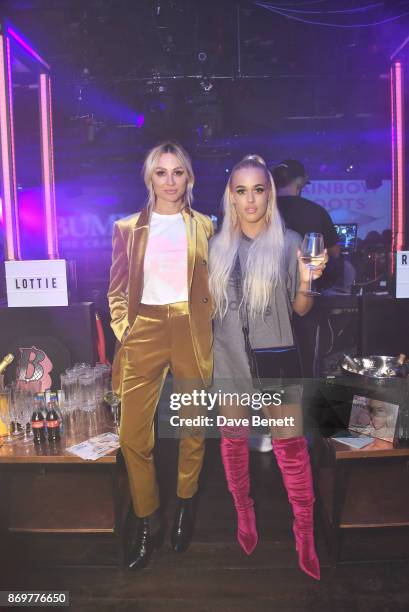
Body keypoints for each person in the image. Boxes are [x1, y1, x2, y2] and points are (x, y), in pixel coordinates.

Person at [209, 155, 325, 580]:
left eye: (258, 189)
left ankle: (305, 531)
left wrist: (309, 278)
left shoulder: (290, 240)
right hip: (230, 360)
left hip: (278, 357)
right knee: (233, 444)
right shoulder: (214, 247)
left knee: (291, 451)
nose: (250, 199)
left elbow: (301, 308)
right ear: (231, 197)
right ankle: (244, 514)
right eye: (241, 190)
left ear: (269, 193)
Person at [108, 141, 214, 570]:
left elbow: (218, 283)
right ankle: (148, 519)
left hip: (191, 329)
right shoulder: (127, 227)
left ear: (189, 177)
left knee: (192, 427)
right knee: (133, 436)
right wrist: (126, 331)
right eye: (161, 173)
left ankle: (186, 504)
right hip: (145, 329)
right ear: (149, 178)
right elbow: (116, 289)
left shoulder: (206, 226)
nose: (170, 181)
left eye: (178, 172)